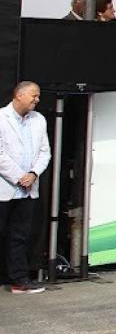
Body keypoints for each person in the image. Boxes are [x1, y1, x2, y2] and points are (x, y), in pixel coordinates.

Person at [0, 82, 50, 293]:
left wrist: (33, 174)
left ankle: (19, 280)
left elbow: (45, 152)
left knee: (20, 236)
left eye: (38, 96)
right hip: (5, 186)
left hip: (28, 189)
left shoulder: (39, 120)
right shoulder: (1, 118)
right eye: (34, 95)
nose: (37, 100)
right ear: (19, 95)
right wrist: (19, 176)